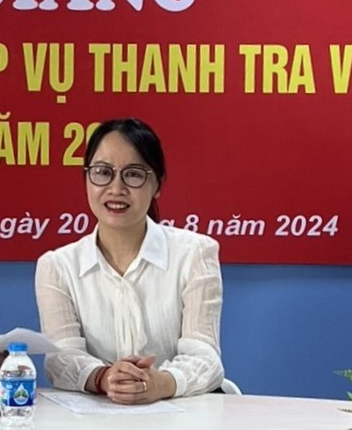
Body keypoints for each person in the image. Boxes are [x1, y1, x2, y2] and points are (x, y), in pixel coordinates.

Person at [36, 118, 225, 403]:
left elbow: (205, 357)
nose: (116, 188)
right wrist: (105, 378)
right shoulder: (58, 266)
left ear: (157, 184)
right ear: (86, 178)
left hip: (180, 418)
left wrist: (161, 383)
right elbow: (60, 359)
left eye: (133, 175)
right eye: (103, 172)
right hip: (96, 421)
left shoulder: (195, 254)